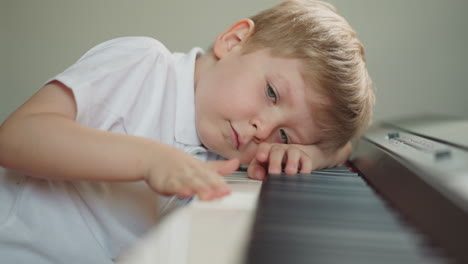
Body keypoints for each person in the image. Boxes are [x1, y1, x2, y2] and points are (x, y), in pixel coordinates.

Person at [0, 0, 374, 263]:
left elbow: (345, 145)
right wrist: (149, 159)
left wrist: (315, 153)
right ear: (233, 41)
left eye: (285, 135)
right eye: (272, 93)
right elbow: (16, 136)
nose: (264, 130)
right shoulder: (144, 66)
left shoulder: (224, 148)